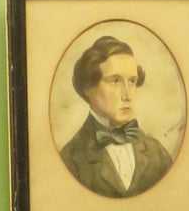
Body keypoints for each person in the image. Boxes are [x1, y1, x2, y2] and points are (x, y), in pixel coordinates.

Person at [59, 34, 175, 197]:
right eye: (115, 81)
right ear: (88, 88)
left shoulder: (157, 153)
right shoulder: (70, 160)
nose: (127, 95)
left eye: (132, 81)